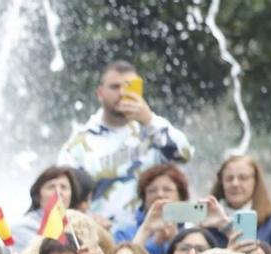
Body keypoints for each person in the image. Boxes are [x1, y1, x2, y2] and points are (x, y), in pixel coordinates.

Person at [58, 62, 193, 233]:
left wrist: (149, 120)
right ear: (100, 93)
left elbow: (185, 155)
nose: (122, 93)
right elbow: (62, 197)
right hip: (101, 238)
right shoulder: (78, 145)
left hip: (153, 235)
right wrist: (86, 219)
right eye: (114, 87)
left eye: (128, 87)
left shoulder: (153, 131)